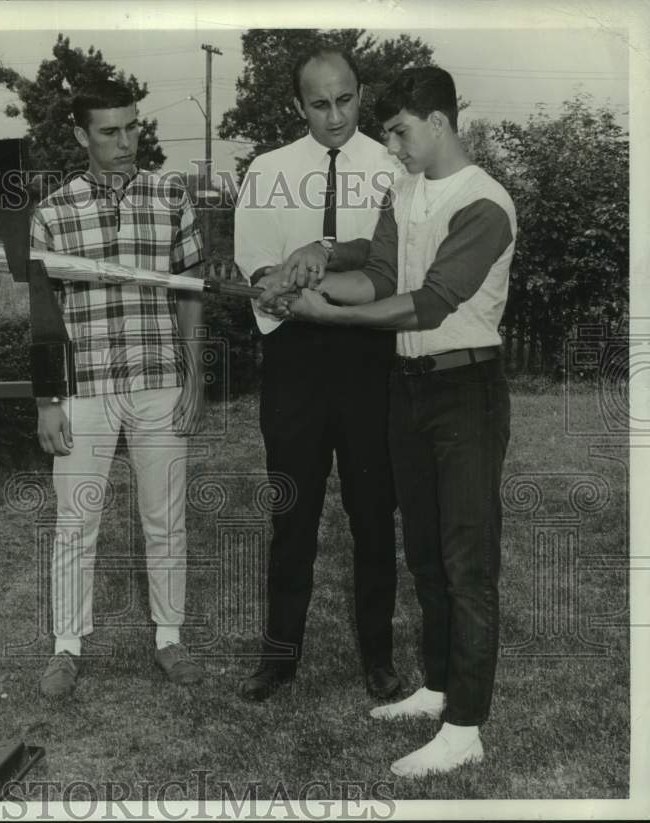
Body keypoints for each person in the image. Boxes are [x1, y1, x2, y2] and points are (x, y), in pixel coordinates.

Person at [262, 65, 515, 777]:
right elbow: (376, 274)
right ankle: (436, 687)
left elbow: (426, 303)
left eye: (400, 130)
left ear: (437, 122)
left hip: (466, 389)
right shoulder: (403, 191)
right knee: (426, 555)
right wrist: (305, 281)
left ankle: (465, 727)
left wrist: (328, 313)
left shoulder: (486, 203)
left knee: (468, 564)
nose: (392, 143)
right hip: (407, 390)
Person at [234, 46, 402, 703]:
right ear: (297, 106)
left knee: (371, 514)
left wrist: (330, 274)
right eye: (319, 103)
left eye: (346, 99)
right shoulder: (267, 171)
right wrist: (276, 288)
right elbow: (256, 266)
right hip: (296, 360)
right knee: (292, 512)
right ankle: (278, 658)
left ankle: (379, 660)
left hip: (368, 358)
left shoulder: (393, 168)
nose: (335, 116)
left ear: (362, 93)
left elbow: (397, 266)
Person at [30, 79, 207, 698]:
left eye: (133, 126)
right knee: (75, 524)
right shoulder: (52, 211)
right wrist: (49, 399)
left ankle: (169, 637)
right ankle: (66, 648)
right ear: (82, 135)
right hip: (84, 389)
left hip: (159, 382)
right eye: (110, 131)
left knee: (165, 519)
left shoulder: (170, 195)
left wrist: (194, 374)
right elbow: (43, 315)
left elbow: (190, 292)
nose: (126, 140)